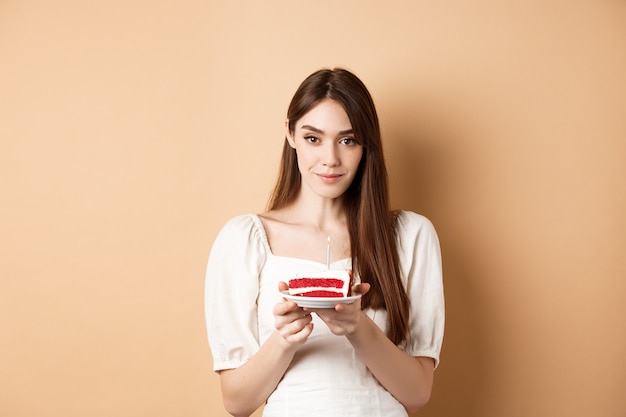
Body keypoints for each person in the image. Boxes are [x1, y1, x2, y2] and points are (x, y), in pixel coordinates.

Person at [205, 68, 444, 417]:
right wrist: (285, 339)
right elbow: (237, 402)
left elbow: (417, 393)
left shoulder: (410, 236)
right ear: (290, 134)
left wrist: (357, 327)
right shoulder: (243, 239)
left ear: (366, 146)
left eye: (347, 140)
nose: (330, 159)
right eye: (313, 138)